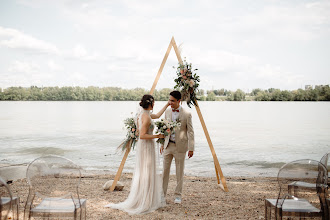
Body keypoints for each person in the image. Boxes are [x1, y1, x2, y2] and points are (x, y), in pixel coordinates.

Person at [105, 94, 169, 214]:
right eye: (154, 102)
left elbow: (158, 115)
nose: (154, 105)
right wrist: (157, 136)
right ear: (150, 103)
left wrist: (166, 105)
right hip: (146, 146)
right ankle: (145, 200)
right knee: (146, 171)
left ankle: (147, 197)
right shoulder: (146, 117)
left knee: (146, 171)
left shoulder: (143, 114)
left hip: (145, 146)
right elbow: (142, 135)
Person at [160, 90, 194, 204]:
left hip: (180, 147)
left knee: (179, 171)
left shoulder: (187, 114)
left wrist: (191, 148)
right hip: (168, 145)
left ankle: (178, 195)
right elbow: (164, 128)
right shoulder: (168, 112)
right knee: (165, 171)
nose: (170, 102)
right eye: (169, 100)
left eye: (173, 101)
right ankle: (162, 195)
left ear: (179, 101)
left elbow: (190, 132)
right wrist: (161, 143)